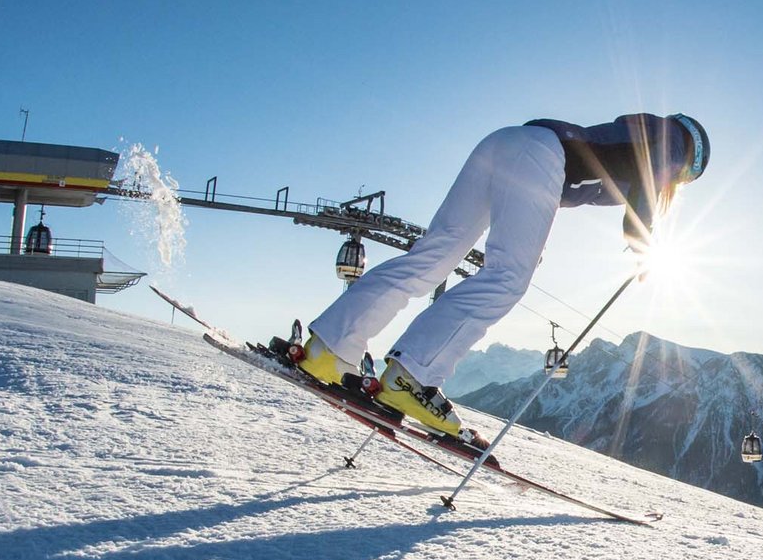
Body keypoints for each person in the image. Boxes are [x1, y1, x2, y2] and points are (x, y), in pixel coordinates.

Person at [294, 112, 709, 439]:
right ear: (691, 160)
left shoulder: (634, 133)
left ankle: (330, 347)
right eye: (687, 176)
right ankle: (413, 376)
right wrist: (643, 242)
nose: (680, 180)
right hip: (543, 155)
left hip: (508, 142)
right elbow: (653, 175)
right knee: (508, 277)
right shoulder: (673, 139)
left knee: (434, 254)